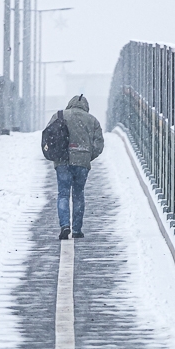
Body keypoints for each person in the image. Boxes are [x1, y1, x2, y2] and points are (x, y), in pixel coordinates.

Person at [49, 94, 104, 240]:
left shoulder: (59, 115)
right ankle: (77, 229)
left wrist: (55, 154)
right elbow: (99, 144)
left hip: (62, 160)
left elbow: (48, 136)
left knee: (63, 194)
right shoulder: (92, 120)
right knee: (78, 194)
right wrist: (87, 156)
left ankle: (65, 226)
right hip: (82, 162)